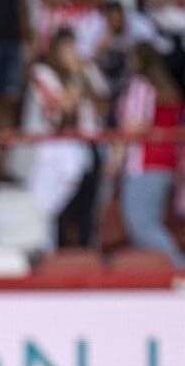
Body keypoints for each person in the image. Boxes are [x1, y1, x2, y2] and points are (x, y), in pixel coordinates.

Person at [24, 27, 105, 250]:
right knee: (51, 209)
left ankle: (87, 253)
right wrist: (77, 75)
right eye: (66, 48)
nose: (72, 52)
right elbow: (63, 109)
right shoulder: (42, 72)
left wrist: (86, 76)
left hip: (89, 144)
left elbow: (103, 106)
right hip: (56, 148)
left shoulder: (87, 69)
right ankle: (50, 254)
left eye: (73, 46)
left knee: (87, 209)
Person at [117, 43, 185, 268]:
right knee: (151, 223)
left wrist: (116, 158)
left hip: (145, 162)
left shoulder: (141, 86)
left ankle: (178, 267)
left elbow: (133, 126)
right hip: (167, 162)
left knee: (141, 224)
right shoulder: (170, 89)